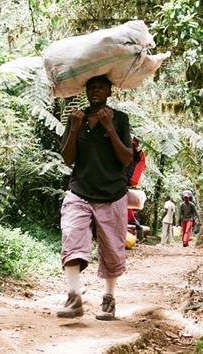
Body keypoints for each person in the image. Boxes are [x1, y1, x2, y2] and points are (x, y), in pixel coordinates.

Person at [56, 75, 133, 321]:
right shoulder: (76, 119)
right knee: (71, 236)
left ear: (109, 91)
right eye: (91, 87)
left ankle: (109, 300)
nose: (95, 91)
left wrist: (109, 127)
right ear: (86, 92)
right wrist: (76, 127)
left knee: (112, 249)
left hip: (112, 194)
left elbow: (126, 158)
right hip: (80, 190)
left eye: (101, 87)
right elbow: (68, 159)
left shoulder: (120, 119)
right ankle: (73, 297)